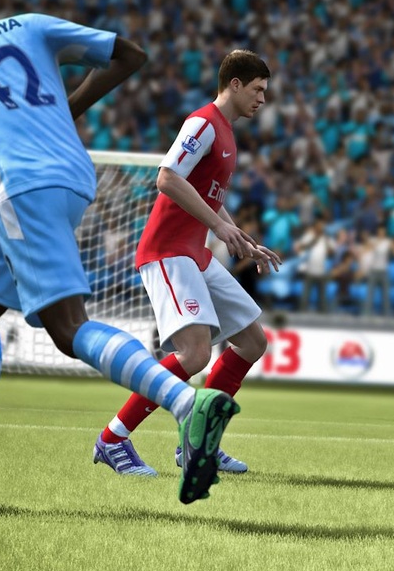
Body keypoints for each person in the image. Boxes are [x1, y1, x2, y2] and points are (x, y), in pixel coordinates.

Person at [0, 0, 258, 505]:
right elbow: (130, 55)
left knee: (67, 329)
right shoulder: (28, 26)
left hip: (17, 188)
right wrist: (67, 112)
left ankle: (183, 404)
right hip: (74, 179)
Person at [92, 49, 281, 478]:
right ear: (235, 84)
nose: (262, 99)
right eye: (258, 90)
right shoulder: (202, 124)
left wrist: (240, 237)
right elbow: (167, 177)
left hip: (195, 253)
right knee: (194, 354)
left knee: (253, 342)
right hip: (168, 251)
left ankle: (198, 443)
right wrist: (219, 226)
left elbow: (208, 197)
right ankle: (113, 438)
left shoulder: (227, 132)